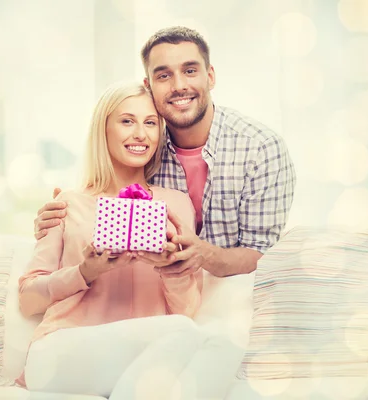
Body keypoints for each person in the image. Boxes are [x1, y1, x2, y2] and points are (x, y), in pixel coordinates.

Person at [33, 26, 297, 279]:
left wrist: (204, 255)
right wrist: (58, 223)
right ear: (149, 86)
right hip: (162, 297)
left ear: (211, 76)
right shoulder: (141, 147)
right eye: (163, 75)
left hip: (232, 297)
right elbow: (102, 200)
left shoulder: (261, 149)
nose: (178, 85)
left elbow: (263, 254)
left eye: (190, 70)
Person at [17, 81, 206, 398]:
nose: (140, 134)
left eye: (150, 123)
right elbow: (27, 300)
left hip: (142, 358)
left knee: (210, 342)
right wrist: (84, 272)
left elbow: (186, 310)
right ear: (103, 130)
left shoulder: (175, 204)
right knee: (191, 338)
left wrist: (169, 268)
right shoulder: (68, 203)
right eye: (127, 121)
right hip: (61, 351)